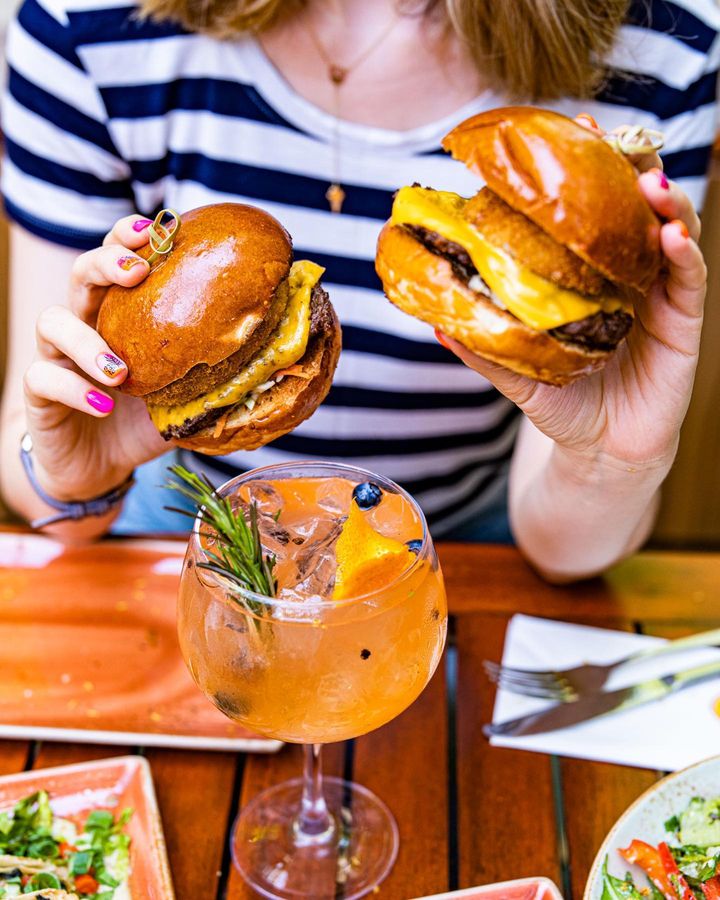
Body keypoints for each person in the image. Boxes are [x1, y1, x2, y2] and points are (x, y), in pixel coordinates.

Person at [0, 0, 716, 581]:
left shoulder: (658, 51)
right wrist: (78, 471)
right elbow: (30, 470)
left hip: (460, 548)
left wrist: (611, 458)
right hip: (181, 531)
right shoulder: (86, 25)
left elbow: (559, 557)